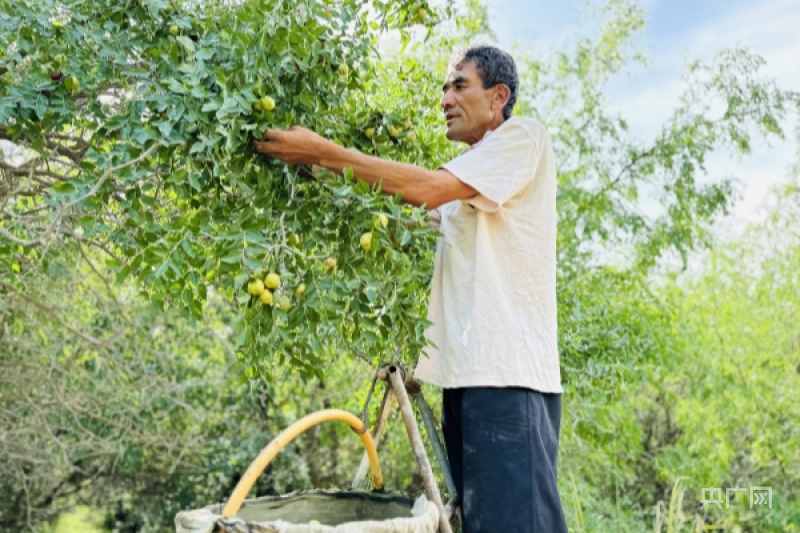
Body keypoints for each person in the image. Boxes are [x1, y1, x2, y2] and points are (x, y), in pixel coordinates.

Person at [253, 44, 567, 533]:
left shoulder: (523, 138)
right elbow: (407, 212)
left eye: (459, 85)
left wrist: (322, 150)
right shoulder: (472, 179)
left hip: (510, 378)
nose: (445, 98)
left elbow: (425, 190)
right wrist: (320, 171)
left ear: (498, 96)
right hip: (469, 379)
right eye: (444, 87)